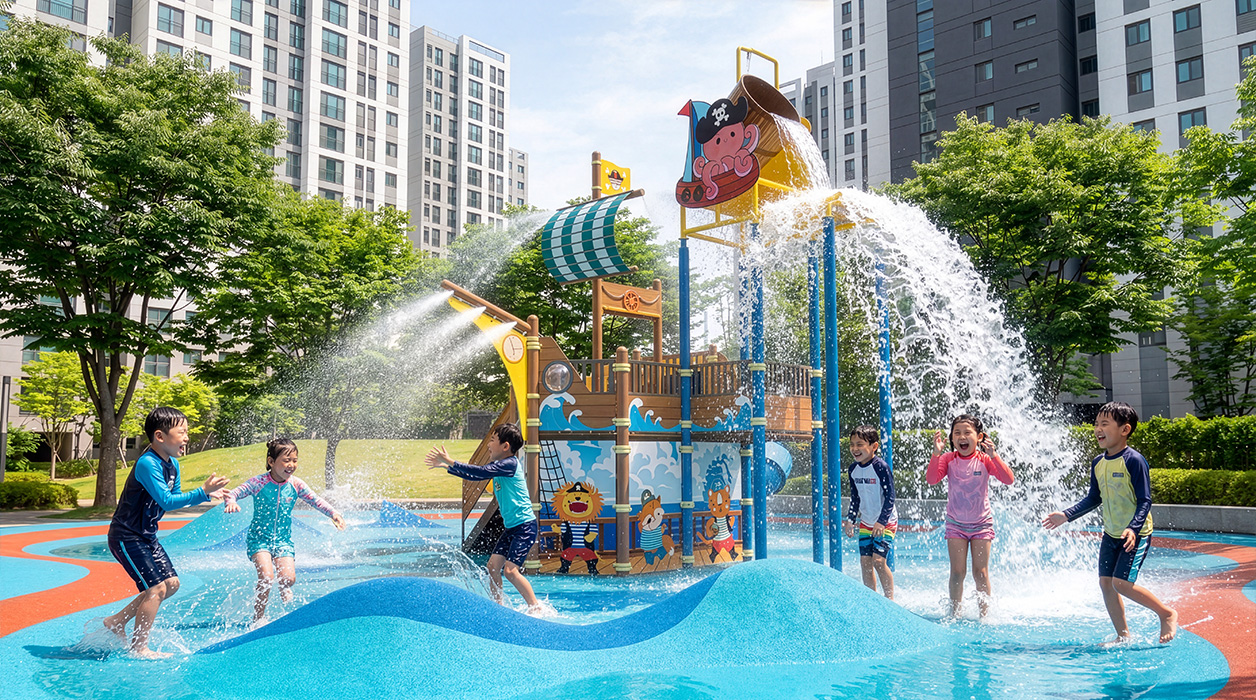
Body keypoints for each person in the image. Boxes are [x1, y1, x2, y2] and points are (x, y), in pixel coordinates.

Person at [1043, 402, 1177, 644]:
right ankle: (1122, 635)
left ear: (1125, 429)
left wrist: (1133, 528)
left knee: (1121, 584)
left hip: (1135, 534)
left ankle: (1165, 613)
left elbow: (1145, 501)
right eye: (1096, 424)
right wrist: (1066, 515)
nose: (1098, 429)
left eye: (1105, 424)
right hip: (1111, 534)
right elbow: (1094, 498)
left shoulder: (1134, 460)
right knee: (1106, 584)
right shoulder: (1098, 462)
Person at [102, 407, 229, 658]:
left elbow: (176, 498)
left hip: (146, 536)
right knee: (156, 589)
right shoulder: (147, 463)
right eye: (182, 432)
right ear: (160, 436)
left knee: (171, 584)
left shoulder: (173, 465)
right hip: (126, 535)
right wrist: (201, 493)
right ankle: (139, 647)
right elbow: (166, 501)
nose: (186, 438)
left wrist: (204, 495)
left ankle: (117, 621)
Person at [223, 438, 347, 623]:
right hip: (259, 539)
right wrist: (231, 502)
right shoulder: (259, 482)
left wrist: (334, 513)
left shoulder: (296, 484)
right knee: (266, 577)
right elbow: (234, 492)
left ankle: (284, 586)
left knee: (288, 579)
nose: (291, 465)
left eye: (295, 460)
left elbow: (315, 500)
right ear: (271, 461)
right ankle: (258, 618)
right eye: (286, 460)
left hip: (283, 541)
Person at [426, 423, 541, 611]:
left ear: (505, 446)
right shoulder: (500, 466)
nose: (489, 444)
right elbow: (475, 476)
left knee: (510, 571)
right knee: (492, 567)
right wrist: (447, 466)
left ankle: (535, 607)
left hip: (524, 526)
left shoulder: (510, 464)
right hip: (512, 527)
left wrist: (451, 461)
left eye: (493, 440)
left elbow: (480, 472)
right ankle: (499, 607)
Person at [927, 414, 1015, 618]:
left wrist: (994, 455)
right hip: (955, 525)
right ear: (951, 437)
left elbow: (1008, 479)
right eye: (957, 433)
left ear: (979, 437)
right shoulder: (948, 459)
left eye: (967, 432)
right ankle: (954, 613)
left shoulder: (984, 459)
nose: (962, 437)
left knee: (980, 572)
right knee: (957, 572)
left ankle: (984, 615)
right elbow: (932, 479)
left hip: (981, 524)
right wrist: (936, 454)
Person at [842, 425, 896, 599]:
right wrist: (850, 519)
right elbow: (855, 497)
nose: (855, 449)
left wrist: (881, 521)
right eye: (852, 444)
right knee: (865, 562)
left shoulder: (881, 467)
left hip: (886, 521)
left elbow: (890, 497)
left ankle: (889, 600)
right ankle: (872, 599)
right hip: (866, 522)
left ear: (874, 446)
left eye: (860, 444)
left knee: (878, 561)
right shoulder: (853, 469)